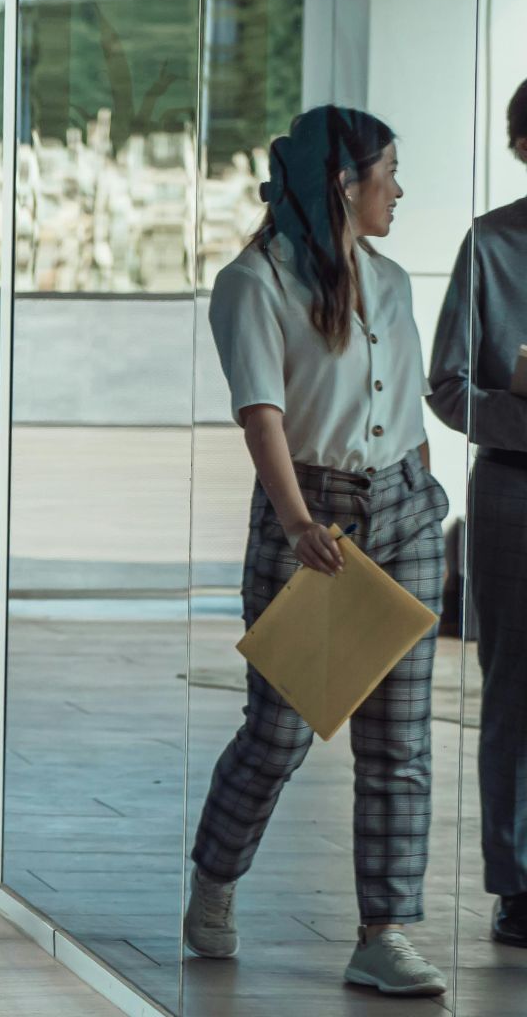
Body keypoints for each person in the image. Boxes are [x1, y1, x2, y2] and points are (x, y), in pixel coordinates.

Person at [188, 105, 448, 996]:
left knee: (399, 742)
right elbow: (261, 414)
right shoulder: (253, 282)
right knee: (278, 733)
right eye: (390, 172)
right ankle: (214, 883)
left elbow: (405, 407)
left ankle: (386, 930)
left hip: (405, 517)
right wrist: (300, 524)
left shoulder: (393, 280)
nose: (399, 190)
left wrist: (424, 491)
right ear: (345, 182)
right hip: (312, 516)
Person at [427, 77, 527, 950]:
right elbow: (447, 386)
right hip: (516, 490)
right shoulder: (491, 245)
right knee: (517, 693)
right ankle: (518, 881)